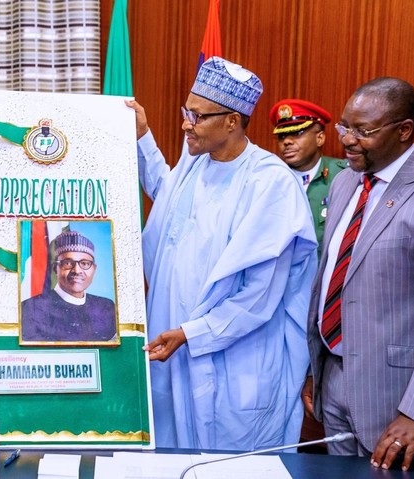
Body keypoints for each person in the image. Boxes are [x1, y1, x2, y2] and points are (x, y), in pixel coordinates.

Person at [125, 56, 318, 450]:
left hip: (233, 359)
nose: (184, 124)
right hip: (175, 346)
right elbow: (168, 198)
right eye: (186, 112)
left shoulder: (270, 183)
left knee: (229, 462)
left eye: (196, 116)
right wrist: (142, 136)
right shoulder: (197, 164)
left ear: (231, 121)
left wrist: (191, 334)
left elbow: (258, 296)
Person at [304, 77, 414, 471]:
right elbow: (333, 280)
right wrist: (317, 371)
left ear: (404, 130)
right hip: (336, 382)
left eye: (364, 131)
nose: (347, 139)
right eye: (344, 127)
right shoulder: (344, 182)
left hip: (397, 397)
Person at [270, 99, 347, 258]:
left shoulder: (344, 176)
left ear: (320, 138)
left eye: (297, 133)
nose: (287, 141)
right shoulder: (270, 180)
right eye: (282, 136)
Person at [21, 230, 117, 342]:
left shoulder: (106, 307)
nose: (77, 270)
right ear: (55, 269)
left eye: (85, 263)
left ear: (94, 269)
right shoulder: (30, 308)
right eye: (67, 263)